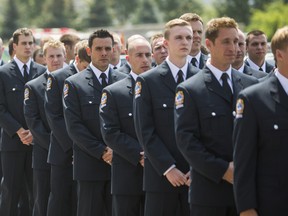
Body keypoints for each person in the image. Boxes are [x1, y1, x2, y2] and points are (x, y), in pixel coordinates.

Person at [174, 17, 258, 216]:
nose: (234, 48)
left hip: (247, 192)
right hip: (209, 194)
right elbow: (186, 140)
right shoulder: (190, 89)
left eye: (237, 42)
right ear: (209, 44)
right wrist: (223, 170)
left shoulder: (252, 85)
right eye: (226, 42)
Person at [133, 18, 199, 216]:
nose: (185, 42)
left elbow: (208, 131)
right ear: (166, 43)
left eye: (189, 37)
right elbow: (145, 130)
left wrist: (197, 169)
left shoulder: (202, 78)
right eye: (179, 37)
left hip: (196, 177)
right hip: (161, 177)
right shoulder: (147, 81)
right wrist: (168, 168)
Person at [63, 29, 127, 216]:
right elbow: (74, 126)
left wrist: (118, 150)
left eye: (108, 48)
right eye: (99, 49)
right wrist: (103, 151)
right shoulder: (74, 83)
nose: (104, 53)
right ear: (89, 51)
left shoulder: (125, 81)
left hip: (121, 163)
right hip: (90, 164)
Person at [233, 26, 288, 216]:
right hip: (273, 205)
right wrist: (246, 208)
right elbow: (243, 160)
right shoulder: (254, 98)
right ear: (279, 55)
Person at [100, 36, 151, 216]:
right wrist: (140, 154)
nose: (145, 60)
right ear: (127, 59)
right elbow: (110, 132)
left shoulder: (160, 88)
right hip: (127, 174)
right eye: (139, 55)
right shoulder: (114, 92)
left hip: (158, 174)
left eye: (148, 55)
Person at [0, 27, 46, 216]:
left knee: (36, 193)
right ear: (15, 46)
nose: (28, 47)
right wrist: (19, 131)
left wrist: (35, 133)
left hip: (38, 143)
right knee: (10, 191)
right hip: (12, 143)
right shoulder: (3, 73)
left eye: (30, 43)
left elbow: (46, 108)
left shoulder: (42, 71)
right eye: (24, 44)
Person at [44, 40, 90, 216]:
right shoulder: (58, 78)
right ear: (77, 60)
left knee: (81, 200)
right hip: (64, 151)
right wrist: (74, 147)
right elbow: (54, 117)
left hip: (87, 151)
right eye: (85, 66)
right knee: (60, 199)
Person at [24, 39, 66, 216]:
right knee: (42, 200)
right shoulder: (33, 86)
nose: (55, 60)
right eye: (51, 56)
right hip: (45, 153)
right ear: (44, 58)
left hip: (72, 155)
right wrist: (58, 146)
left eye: (59, 55)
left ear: (65, 56)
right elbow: (34, 123)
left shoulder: (74, 82)